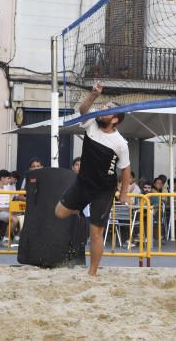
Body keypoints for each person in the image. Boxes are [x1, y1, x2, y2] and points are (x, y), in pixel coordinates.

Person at [54, 82, 131, 277]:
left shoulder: (120, 143)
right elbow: (83, 109)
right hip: (83, 183)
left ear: (115, 120)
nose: (102, 110)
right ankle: (79, 210)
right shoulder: (91, 123)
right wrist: (94, 94)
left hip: (103, 191)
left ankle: (92, 273)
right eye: (103, 106)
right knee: (59, 213)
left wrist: (124, 194)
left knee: (95, 232)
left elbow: (126, 169)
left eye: (108, 110)